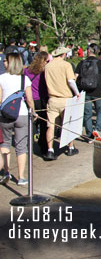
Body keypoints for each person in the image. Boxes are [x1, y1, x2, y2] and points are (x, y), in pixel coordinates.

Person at [0, 53, 36, 186]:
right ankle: (21, 177)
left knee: (5, 144)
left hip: (5, 115)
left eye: (5, 61)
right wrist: (33, 111)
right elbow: (30, 99)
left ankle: (6, 171)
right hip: (21, 114)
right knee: (21, 146)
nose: (3, 63)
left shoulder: (1, 78)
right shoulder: (24, 79)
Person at [44, 46, 81, 160]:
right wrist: (77, 93)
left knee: (50, 126)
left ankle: (50, 149)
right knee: (68, 124)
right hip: (65, 98)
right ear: (63, 55)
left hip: (52, 98)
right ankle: (70, 147)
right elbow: (70, 81)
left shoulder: (47, 66)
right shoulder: (66, 65)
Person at [75, 44, 101, 140]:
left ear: (88, 51)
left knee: (87, 114)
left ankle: (89, 134)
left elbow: (75, 77)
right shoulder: (100, 63)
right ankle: (97, 129)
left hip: (85, 91)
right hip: (98, 91)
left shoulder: (81, 63)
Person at [24, 51, 49, 155]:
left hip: (28, 99)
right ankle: (43, 146)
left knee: (31, 124)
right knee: (43, 124)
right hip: (41, 99)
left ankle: (29, 145)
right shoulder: (44, 72)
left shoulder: (27, 70)